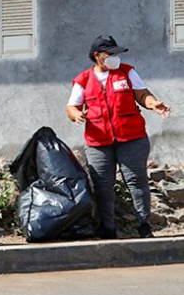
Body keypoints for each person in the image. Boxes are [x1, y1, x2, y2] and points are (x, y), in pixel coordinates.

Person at [66, 35, 171, 239]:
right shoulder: (83, 80)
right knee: (102, 186)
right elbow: (71, 107)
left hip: (131, 138)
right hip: (98, 142)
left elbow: (142, 94)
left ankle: (144, 225)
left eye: (117, 53)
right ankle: (107, 227)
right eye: (110, 54)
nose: (116, 58)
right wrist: (76, 115)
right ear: (97, 56)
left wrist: (153, 104)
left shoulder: (127, 72)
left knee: (136, 181)